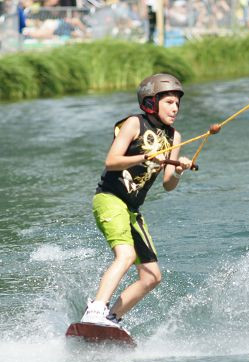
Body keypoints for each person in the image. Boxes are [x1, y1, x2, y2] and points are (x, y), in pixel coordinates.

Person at [80, 73, 193, 330]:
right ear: (151, 102)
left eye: (177, 103)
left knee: (152, 277)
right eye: (169, 103)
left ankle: (111, 320)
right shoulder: (134, 123)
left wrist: (178, 170)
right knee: (127, 255)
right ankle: (96, 309)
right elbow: (111, 161)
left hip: (132, 210)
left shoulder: (174, 137)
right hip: (110, 199)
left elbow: (168, 184)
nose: (175, 108)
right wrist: (143, 158)